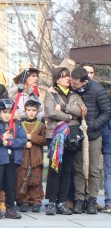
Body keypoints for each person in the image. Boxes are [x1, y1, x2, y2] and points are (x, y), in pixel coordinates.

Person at [43, 67, 86, 216]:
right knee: (55, 168)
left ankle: (62, 202)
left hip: (72, 136)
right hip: (55, 135)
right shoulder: (51, 93)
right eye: (64, 76)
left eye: (69, 75)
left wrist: (64, 108)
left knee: (68, 169)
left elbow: (83, 111)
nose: (68, 78)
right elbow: (51, 112)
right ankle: (51, 203)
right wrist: (70, 117)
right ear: (57, 79)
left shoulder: (75, 94)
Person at [69, 66, 111, 214]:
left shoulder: (98, 90)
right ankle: (79, 199)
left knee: (93, 169)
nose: (72, 84)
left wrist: (93, 125)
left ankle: (92, 199)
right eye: (71, 81)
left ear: (84, 82)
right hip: (76, 134)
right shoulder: (72, 90)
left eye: (75, 83)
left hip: (93, 135)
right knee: (79, 168)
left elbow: (107, 112)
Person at [15, 99, 47, 213]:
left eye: (33, 110)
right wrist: (24, 143)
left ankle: (36, 201)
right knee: (22, 179)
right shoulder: (19, 125)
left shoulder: (41, 125)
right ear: (25, 111)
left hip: (36, 158)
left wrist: (31, 137)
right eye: (29, 110)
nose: (31, 112)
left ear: (37, 112)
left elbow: (44, 140)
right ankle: (23, 201)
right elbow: (16, 139)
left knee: (35, 180)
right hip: (23, 158)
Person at [0, 98, 27, 218]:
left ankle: (10, 208)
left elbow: (23, 140)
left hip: (11, 160)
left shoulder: (18, 125)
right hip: (1, 159)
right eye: (4, 112)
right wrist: (1, 138)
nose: (7, 115)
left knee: (10, 184)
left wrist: (10, 143)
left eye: (10, 112)